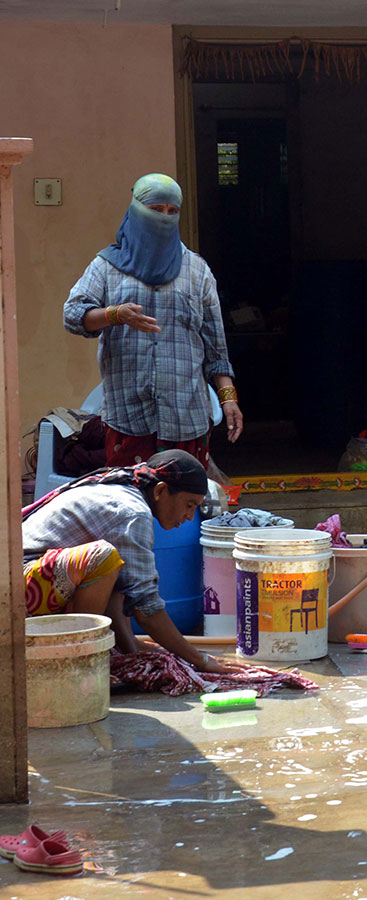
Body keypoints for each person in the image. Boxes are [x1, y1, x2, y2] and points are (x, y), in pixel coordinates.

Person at [63, 173, 243, 469]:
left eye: (172, 211)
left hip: (187, 418)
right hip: (128, 416)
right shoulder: (107, 266)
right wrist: (114, 314)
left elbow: (216, 349)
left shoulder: (197, 271)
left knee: (183, 509)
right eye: (155, 209)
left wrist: (229, 399)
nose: (164, 217)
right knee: (132, 505)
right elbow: (72, 315)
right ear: (135, 210)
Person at [22, 449, 243, 675]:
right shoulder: (133, 513)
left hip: (39, 581)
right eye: (189, 505)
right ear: (160, 491)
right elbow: (146, 609)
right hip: (21, 589)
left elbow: (126, 588)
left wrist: (133, 650)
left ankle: (122, 650)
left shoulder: (126, 490)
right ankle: (82, 664)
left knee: (118, 566)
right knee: (103, 556)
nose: (189, 516)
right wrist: (201, 660)